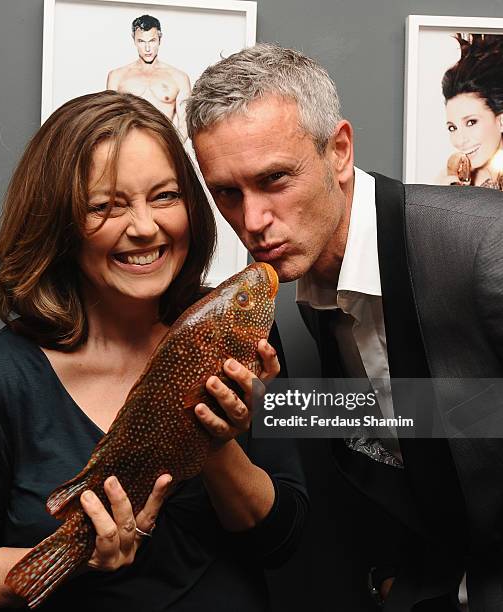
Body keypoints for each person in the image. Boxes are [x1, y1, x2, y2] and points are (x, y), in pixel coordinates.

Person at [0, 90, 307, 610]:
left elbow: (282, 544)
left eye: (165, 196)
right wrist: (63, 562)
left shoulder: (233, 335)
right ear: (59, 223)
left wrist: (212, 443)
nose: (144, 228)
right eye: (105, 206)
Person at [186, 43, 503, 611]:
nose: (253, 222)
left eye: (275, 179)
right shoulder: (314, 285)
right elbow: (421, 415)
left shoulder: (486, 243)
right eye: (228, 194)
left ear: (338, 151)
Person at [107, 15, 191, 141]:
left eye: (152, 41)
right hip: (128, 145)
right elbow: (110, 119)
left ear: (159, 39)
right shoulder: (117, 76)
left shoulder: (179, 78)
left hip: (164, 144)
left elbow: (184, 124)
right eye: (141, 41)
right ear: (134, 40)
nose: (147, 49)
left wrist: (170, 150)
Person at [440, 34, 503, 189]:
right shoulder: (449, 178)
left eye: (471, 122)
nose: (460, 141)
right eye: (452, 127)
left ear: (501, 121)